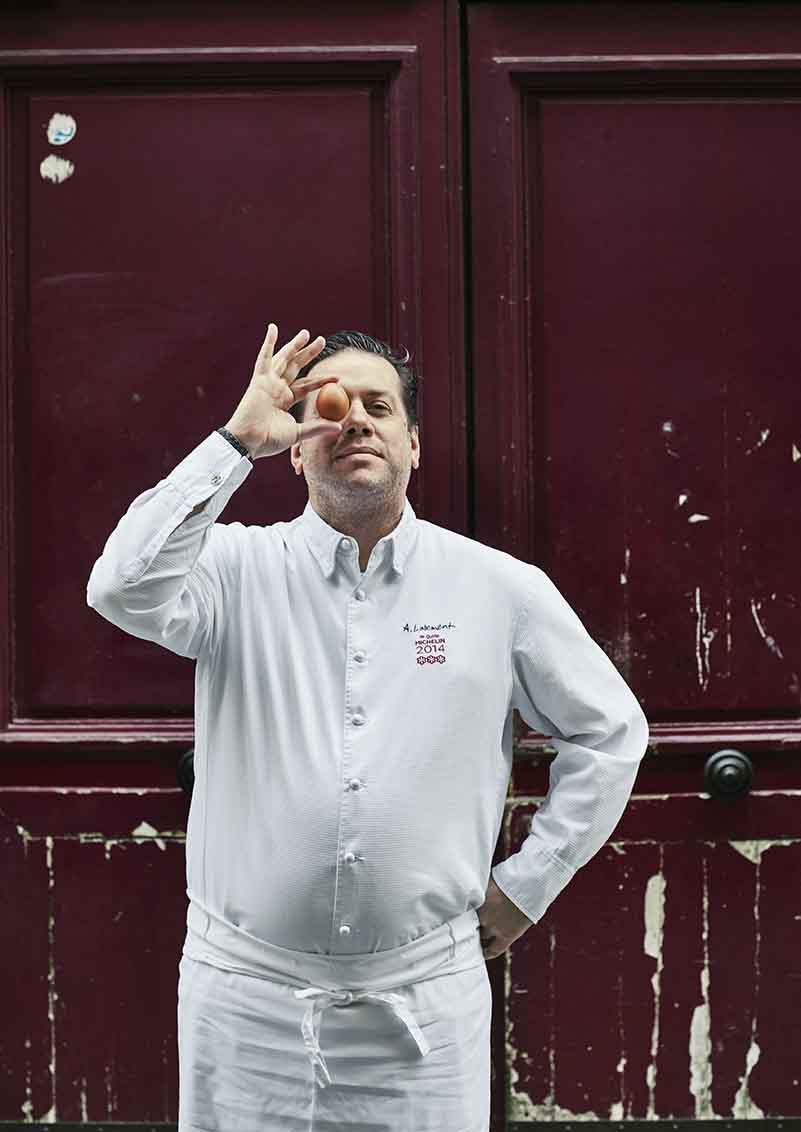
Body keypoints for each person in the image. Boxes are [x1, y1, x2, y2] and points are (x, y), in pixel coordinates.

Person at [86, 323, 649, 1131]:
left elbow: (609, 733)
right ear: (295, 451)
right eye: (328, 408)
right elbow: (120, 587)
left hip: (425, 1006)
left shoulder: (499, 589)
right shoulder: (232, 571)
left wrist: (528, 886)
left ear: (412, 445)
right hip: (244, 1004)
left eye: (378, 407)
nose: (354, 420)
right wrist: (235, 441)